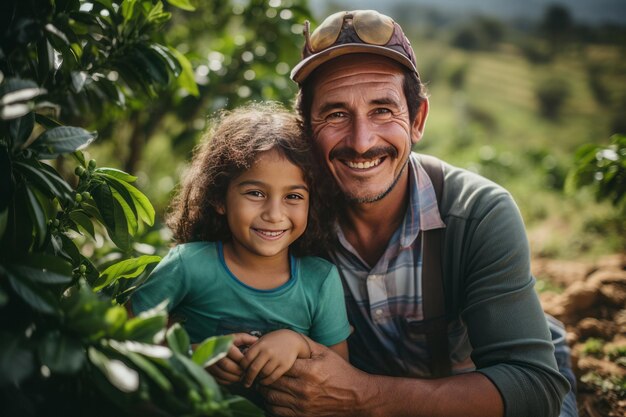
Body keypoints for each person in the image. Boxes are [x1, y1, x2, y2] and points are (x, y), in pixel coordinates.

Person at [259, 10, 577, 417]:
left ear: (418, 119)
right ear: (306, 128)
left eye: (382, 111)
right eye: (336, 114)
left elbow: (533, 388)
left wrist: (361, 394)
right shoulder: (284, 219)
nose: (361, 142)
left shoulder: (477, 214)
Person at [130, 103, 350, 392]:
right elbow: (126, 337)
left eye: (293, 196)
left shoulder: (320, 281)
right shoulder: (188, 265)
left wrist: (298, 343)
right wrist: (193, 357)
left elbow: (340, 377)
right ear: (220, 199)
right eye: (255, 193)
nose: (274, 214)